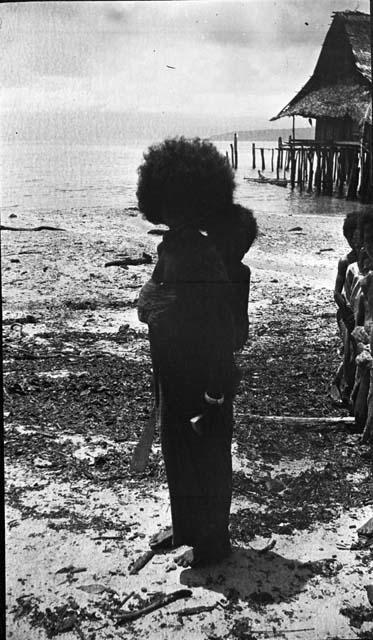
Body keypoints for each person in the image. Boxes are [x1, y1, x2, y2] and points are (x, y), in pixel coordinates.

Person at [136, 137, 239, 567]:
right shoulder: (175, 249)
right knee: (180, 455)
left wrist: (216, 390)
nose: (172, 215)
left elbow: (218, 325)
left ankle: (212, 542)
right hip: (176, 373)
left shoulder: (200, 255)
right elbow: (156, 305)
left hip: (201, 376)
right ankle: (188, 529)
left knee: (206, 457)